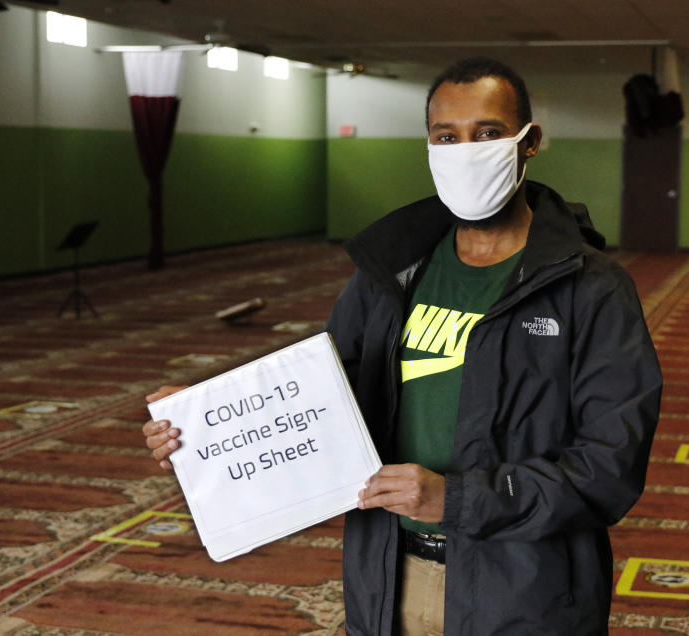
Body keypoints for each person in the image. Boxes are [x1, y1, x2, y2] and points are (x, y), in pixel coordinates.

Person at [143, 57, 662, 635]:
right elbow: (321, 397)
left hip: (523, 589)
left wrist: (460, 500)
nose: (466, 149)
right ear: (430, 147)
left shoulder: (589, 288)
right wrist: (206, 423)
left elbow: (608, 467)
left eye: (487, 133)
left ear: (529, 141)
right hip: (388, 577)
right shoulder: (391, 274)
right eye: (447, 136)